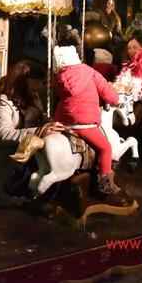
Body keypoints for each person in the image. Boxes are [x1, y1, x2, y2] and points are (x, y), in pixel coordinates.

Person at [0, 59, 65, 207]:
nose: (39, 87)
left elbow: (37, 114)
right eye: (36, 82)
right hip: (4, 161)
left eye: (40, 83)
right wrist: (39, 130)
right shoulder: (1, 101)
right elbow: (2, 134)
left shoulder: (30, 96)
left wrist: (51, 123)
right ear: (23, 81)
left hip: (24, 154)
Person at [52, 45, 120, 195]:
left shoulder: (58, 77)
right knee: (106, 148)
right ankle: (105, 182)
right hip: (84, 123)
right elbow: (109, 95)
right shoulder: (90, 72)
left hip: (63, 121)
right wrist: (115, 98)